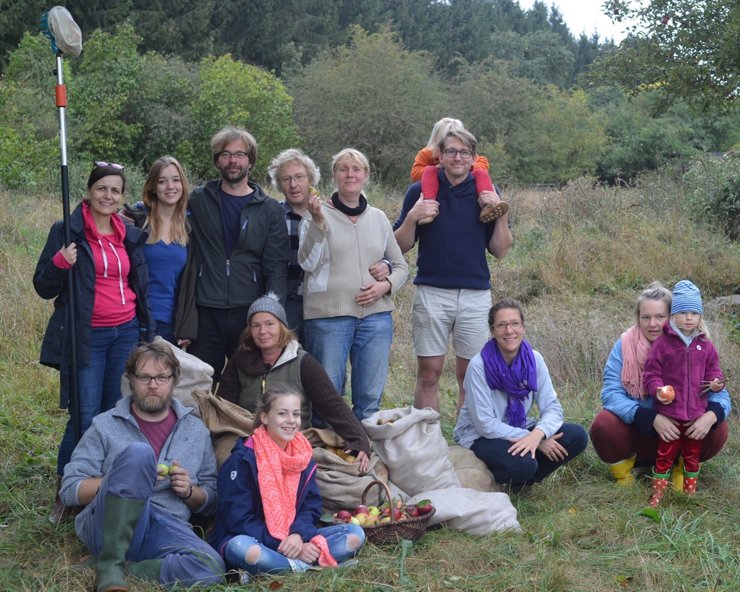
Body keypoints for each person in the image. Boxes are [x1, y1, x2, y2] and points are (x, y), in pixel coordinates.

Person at [34, 161, 153, 523]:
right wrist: (59, 262)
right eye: (102, 188)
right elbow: (43, 286)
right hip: (87, 337)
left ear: (121, 197)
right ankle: (66, 493)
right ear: (89, 191)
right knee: (84, 417)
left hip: (125, 333)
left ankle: (102, 489)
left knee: (114, 415)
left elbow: (139, 284)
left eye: (115, 190)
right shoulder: (68, 232)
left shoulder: (128, 234)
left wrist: (144, 328)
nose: (108, 196)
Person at [59, 342, 224, 591]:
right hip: (106, 523)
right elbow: (70, 489)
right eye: (144, 377)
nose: (153, 385)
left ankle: (120, 568)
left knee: (210, 566)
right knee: (139, 454)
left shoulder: (195, 430)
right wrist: (121, 479)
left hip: (161, 526)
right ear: (131, 380)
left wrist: (189, 491)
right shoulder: (105, 425)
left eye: (161, 377)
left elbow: (211, 498)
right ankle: (111, 567)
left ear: (174, 380)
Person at [394, 128, 512, 413]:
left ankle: (467, 444)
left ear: (473, 158)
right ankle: (426, 444)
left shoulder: (487, 193)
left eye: (464, 152)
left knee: (470, 376)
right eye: (450, 152)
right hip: (432, 291)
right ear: (440, 157)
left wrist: (502, 213)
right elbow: (399, 245)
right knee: (429, 373)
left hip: (474, 294)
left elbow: (500, 250)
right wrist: (412, 218)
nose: (457, 157)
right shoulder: (419, 191)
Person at [299, 148, 408, 420]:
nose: (350, 174)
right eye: (343, 169)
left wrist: (386, 285)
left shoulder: (379, 218)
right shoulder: (314, 213)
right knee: (328, 397)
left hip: (376, 319)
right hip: (328, 319)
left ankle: (365, 454)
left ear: (366, 175)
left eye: (356, 169)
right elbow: (307, 263)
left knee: (369, 399)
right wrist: (319, 224)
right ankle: (325, 458)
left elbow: (402, 266)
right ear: (334, 175)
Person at [211, 387, 365, 577]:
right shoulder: (242, 459)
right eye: (282, 414)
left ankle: (279, 567)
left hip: (295, 538)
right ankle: (305, 567)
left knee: (355, 534)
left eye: (296, 414)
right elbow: (238, 519)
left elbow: (311, 506)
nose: (291, 420)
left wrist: (299, 535)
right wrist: (288, 544)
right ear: (265, 417)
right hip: (254, 539)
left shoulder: (302, 456)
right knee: (240, 548)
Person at [589, 282, 730, 489]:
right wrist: (651, 418)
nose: (652, 324)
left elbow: (719, 393)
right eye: (645, 317)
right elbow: (611, 394)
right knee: (603, 423)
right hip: (641, 436)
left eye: (660, 317)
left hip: (683, 435)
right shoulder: (624, 345)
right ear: (638, 317)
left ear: (673, 317)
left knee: (719, 426)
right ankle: (625, 474)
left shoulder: (695, 346)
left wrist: (710, 416)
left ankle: (681, 467)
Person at [217, 293, 371, 472]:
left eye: (269, 324)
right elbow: (224, 406)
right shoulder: (240, 361)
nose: (262, 331)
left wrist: (359, 440)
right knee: (227, 461)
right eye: (256, 326)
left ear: (282, 327)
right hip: (247, 438)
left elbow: (332, 404)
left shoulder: (303, 363)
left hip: (291, 438)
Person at [186, 126, 288, 384]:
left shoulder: (269, 208)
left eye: (240, 154)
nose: (233, 160)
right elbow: (164, 205)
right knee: (200, 383)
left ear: (250, 161)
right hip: (205, 308)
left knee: (246, 385)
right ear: (217, 160)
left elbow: (276, 264)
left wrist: (271, 310)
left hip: (249, 311)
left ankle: (242, 427)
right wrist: (134, 211)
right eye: (226, 154)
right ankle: (201, 427)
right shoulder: (198, 199)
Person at [453, 299, 588, 490]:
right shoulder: (479, 365)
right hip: (479, 436)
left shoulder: (535, 359)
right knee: (524, 463)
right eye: (501, 325)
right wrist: (535, 440)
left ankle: (521, 482)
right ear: (492, 331)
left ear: (523, 327)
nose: (509, 331)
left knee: (577, 436)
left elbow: (552, 408)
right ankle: (503, 478)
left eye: (514, 323)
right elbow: (484, 424)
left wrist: (538, 434)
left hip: (518, 427)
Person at [267, 148, 393, 345]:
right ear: (279, 185)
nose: (294, 185)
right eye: (286, 179)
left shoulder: (330, 212)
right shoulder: (273, 217)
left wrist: (387, 264)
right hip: (288, 301)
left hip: (325, 307)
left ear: (311, 180)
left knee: (323, 370)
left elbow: (360, 249)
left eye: (299, 177)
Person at [642, 280, 726, 506]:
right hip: (670, 414)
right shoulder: (663, 343)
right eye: (683, 312)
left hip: (696, 416)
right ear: (673, 316)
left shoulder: (705, 345)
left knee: (692, 456)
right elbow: (651, 375)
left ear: (700, 317)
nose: (689, 318)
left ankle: (690, 494)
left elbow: (715, 372)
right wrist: (658, 390)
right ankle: (657, 494)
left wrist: (717, 383)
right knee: (664, 455)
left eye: (694, 313)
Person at [123, 155, 191, 346]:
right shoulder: (136, 223)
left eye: (175, 180)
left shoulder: (188, 227)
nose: (170, 186)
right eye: (162, 181)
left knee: (163, 376)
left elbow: (190, 282)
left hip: (172, 324)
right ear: (153, 187)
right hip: (136, 320)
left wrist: (186, 324)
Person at [411, 117, 507, 224]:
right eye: (450, 149)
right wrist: (437, 168)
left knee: (481, 173)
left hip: (464, 187)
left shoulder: (465, 155)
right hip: (437, 188)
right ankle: (429, 206)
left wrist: (467, 167)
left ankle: (488, 205)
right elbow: (415, 174)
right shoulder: (427, 153)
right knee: (429, 171)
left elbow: (483, 163)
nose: (457, 157)